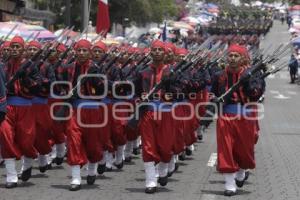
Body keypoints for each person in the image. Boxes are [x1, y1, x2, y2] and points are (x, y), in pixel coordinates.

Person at [211, 44, 265, 196]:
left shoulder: (252, 74)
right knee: (226, 149)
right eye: (230, 55)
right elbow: (212, 92)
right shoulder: (219, 75)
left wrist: (247, 81)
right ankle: (229, 183)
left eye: (236, 56)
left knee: (244, 149)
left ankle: (242, 169)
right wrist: (214, 99)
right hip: (226, 116)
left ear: (242, 58)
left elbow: (256, 94)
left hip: (246, 117)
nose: (233, 58)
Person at [0, 36, 41, 188]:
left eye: (18, 47)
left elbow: (38, 87)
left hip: (26, 108)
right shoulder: (3, 66)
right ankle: (11, 176)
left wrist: (25, 79)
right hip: (7, 107)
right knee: (6, 137)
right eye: (13, 47)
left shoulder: (31, 66)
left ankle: (28, 161)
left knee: (26, 139)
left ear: (23, 49)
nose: (15, 49)